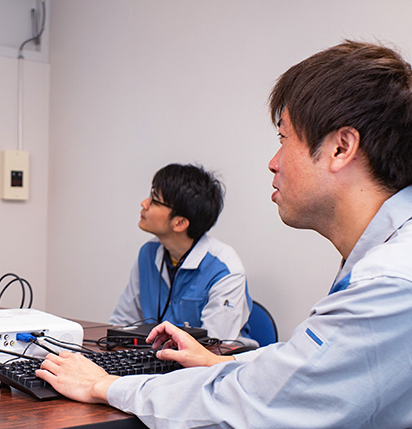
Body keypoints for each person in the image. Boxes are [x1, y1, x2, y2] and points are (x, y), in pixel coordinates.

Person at [36, 40, 412, 428]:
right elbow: (303, 363)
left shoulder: (389, 281)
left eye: (283, 139)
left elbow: (253, 406)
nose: (273, 163)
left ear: (340, 148)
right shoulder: (385, 261)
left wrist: (105, 386)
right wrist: (222, 362)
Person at [109, 163, 254, 344]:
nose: (144, 204)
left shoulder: (225, 270)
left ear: (180, 223)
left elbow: (211, 349)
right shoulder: (148, 254)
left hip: (213, 367)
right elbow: (122, 324)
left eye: (154, 200)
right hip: (156, 363)